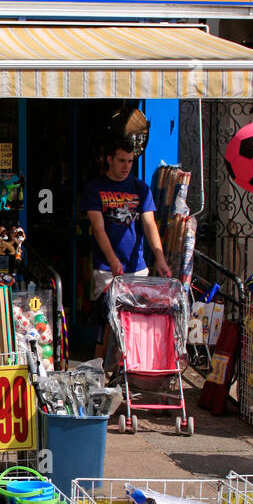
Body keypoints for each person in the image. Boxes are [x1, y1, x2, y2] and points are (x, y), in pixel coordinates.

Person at [80, 127, 171, 361]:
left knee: (134, 321)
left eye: (130, 161)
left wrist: (160, 258)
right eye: (121, 160)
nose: (126, 166)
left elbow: (150, 225)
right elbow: (98, 228)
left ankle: (126, 371)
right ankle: (99, 369)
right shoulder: (95, 189)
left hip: (136, 266)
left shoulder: (141, 189)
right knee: (106, 319)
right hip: (106, 267)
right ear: (110, 159)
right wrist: (112, 259)